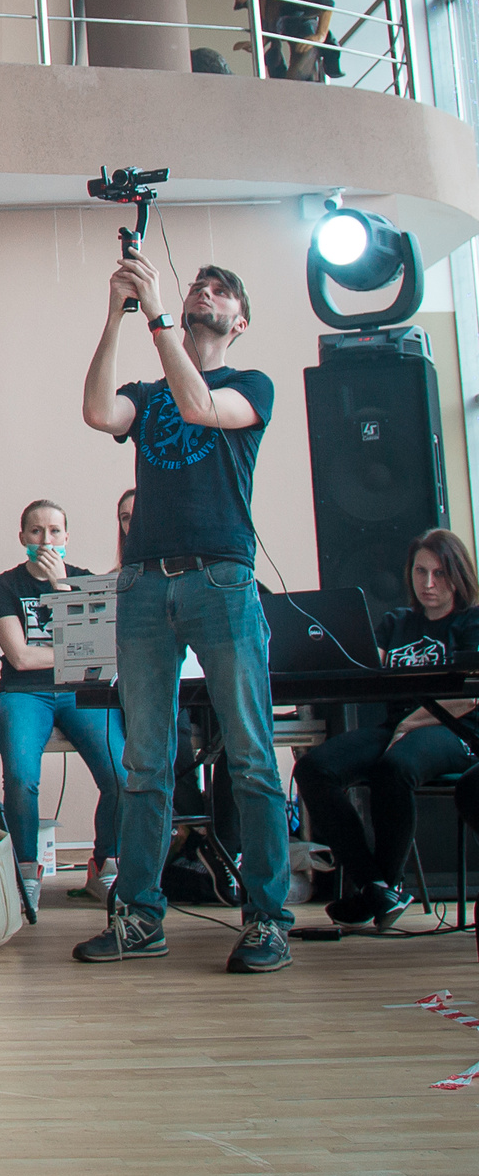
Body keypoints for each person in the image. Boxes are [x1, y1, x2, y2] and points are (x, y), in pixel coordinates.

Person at [76, 259, 290, 974]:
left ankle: (267, 921)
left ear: (240, 321)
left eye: (222, 291)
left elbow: (199, 406)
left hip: (220, 579)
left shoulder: (249, 387)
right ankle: (138, 916)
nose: (207, 294)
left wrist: (160, 312)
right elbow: (100, 412)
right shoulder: (147, 393)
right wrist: (118, 315)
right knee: (144, 761)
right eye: (201, 286)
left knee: (252, 754)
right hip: (143, 584)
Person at [292, 529, 479, 929]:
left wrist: (410, 724)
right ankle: (376, 887)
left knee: (395, 767)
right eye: (420, 572)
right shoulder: (397, 623)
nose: (428, 584)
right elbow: (362, 663)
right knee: (313, 768)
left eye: (440, 574)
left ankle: (382, 889)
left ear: (459, 575)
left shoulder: (472, 622)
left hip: (457, 729)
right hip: (397, 728)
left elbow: (470, 698)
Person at [0, 499, 124, 913]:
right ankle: (27, 871)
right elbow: (20, 658)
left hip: (82, 694)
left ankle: (105, 866)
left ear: (67, 537)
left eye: (55, 531)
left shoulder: (85, 581)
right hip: (22, 694)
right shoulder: (5, 586)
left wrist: (62, 587)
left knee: (120, 773)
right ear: (22, 537)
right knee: (22, 779)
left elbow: (100, 655)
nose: (46, 539)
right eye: (36, 531)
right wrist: (77, 654)